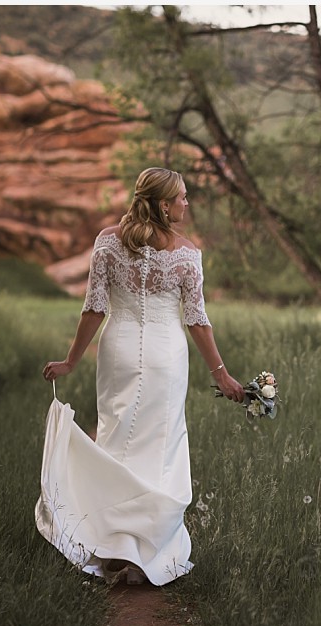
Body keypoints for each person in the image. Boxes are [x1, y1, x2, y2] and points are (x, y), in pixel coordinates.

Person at [36, 167, 245, 586]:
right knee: (162, 443)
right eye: (182, 197)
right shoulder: (187, 253)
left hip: (119, 349)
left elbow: (94, 308)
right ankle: (142, 548)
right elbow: (197, 321)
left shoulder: (107, 243)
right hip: (167, 355)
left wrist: (71, 361)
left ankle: (111, 541)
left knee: (115, 437)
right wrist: (220, 373)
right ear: (164, 204)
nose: (187, 203)